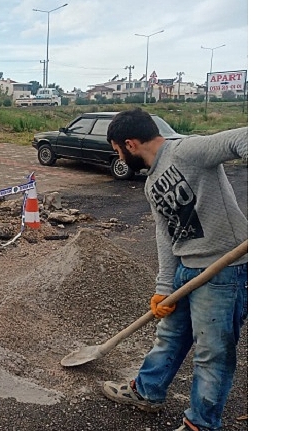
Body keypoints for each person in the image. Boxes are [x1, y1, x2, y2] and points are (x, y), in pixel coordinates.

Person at [101, 107, 248, 431]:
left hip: (223, 272)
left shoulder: (187, 150)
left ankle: (200, 424)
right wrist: (164, 286)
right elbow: (164, 234)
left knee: (212, 354)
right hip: (186, 268)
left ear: (131, 143)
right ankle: (147, 392)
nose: (121, 159)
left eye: (118, 152)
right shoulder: (151, 182)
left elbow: (245, 138)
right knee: (169, 337)